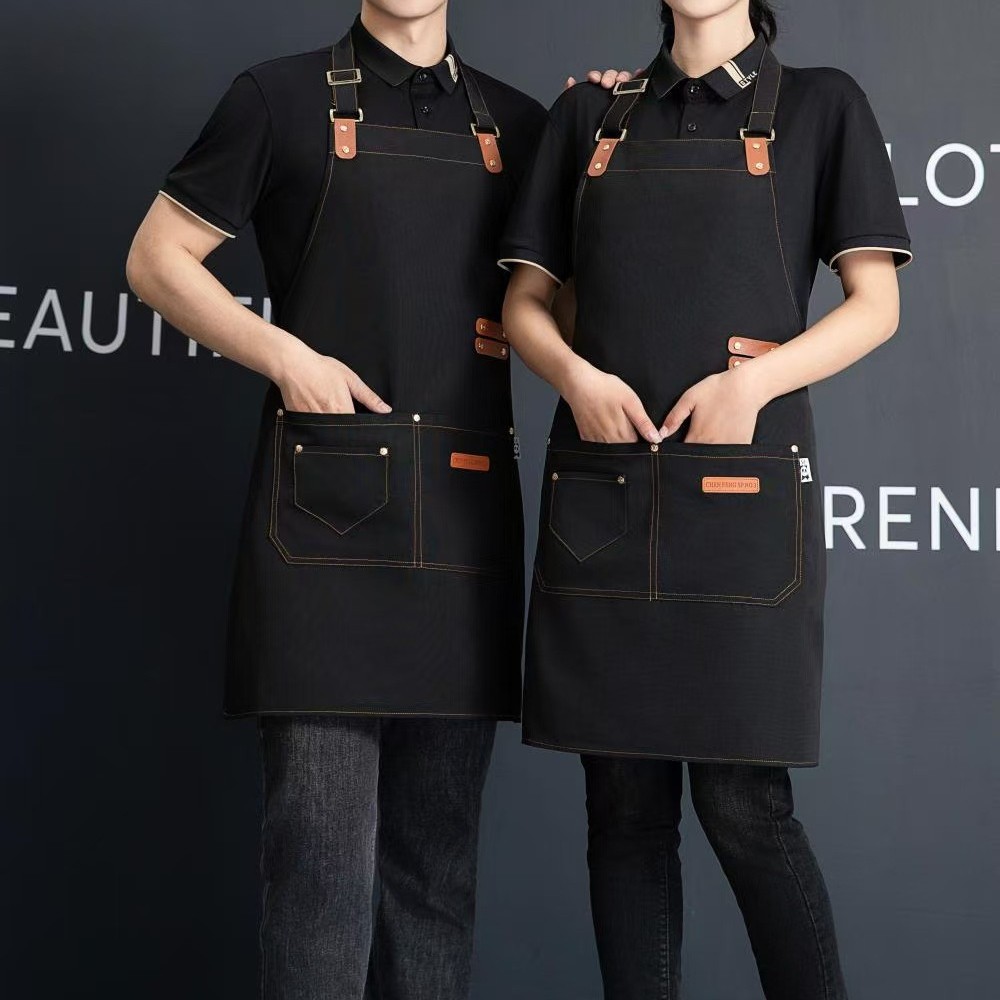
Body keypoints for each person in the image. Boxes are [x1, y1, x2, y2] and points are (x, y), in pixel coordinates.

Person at [124, 2, 628, 997]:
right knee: (319, 869)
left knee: (435, 876)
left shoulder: (524, 125)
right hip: (323, 531)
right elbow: (154, 259)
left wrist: (602, 140)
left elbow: (571, 319)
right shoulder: (276, 97)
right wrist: (287, 357)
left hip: (464, 529)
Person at [499, 1, 912, 998]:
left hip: (740, 503)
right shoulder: (590, 116)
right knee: (623, 812)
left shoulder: (821, 106)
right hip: (605, 498)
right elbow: (523, 305)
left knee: (744, 808)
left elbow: (877, 305)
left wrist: (753, 387)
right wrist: (575, 378)